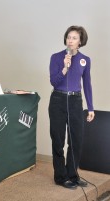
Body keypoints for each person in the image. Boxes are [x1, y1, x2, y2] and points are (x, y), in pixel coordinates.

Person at [49, 26, 95, 189]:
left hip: (75, 102)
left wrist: (90, 107)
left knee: (76, 140)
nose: (70, 40)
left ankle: (72, 175)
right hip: (58, 100)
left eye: (74, 37)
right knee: (58, 140)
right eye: (69, 37)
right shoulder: (56, 57)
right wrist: (64, 68)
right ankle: (60, 177)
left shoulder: (85, 60)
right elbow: (54, 81)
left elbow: (87, 85)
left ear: (80, 41)